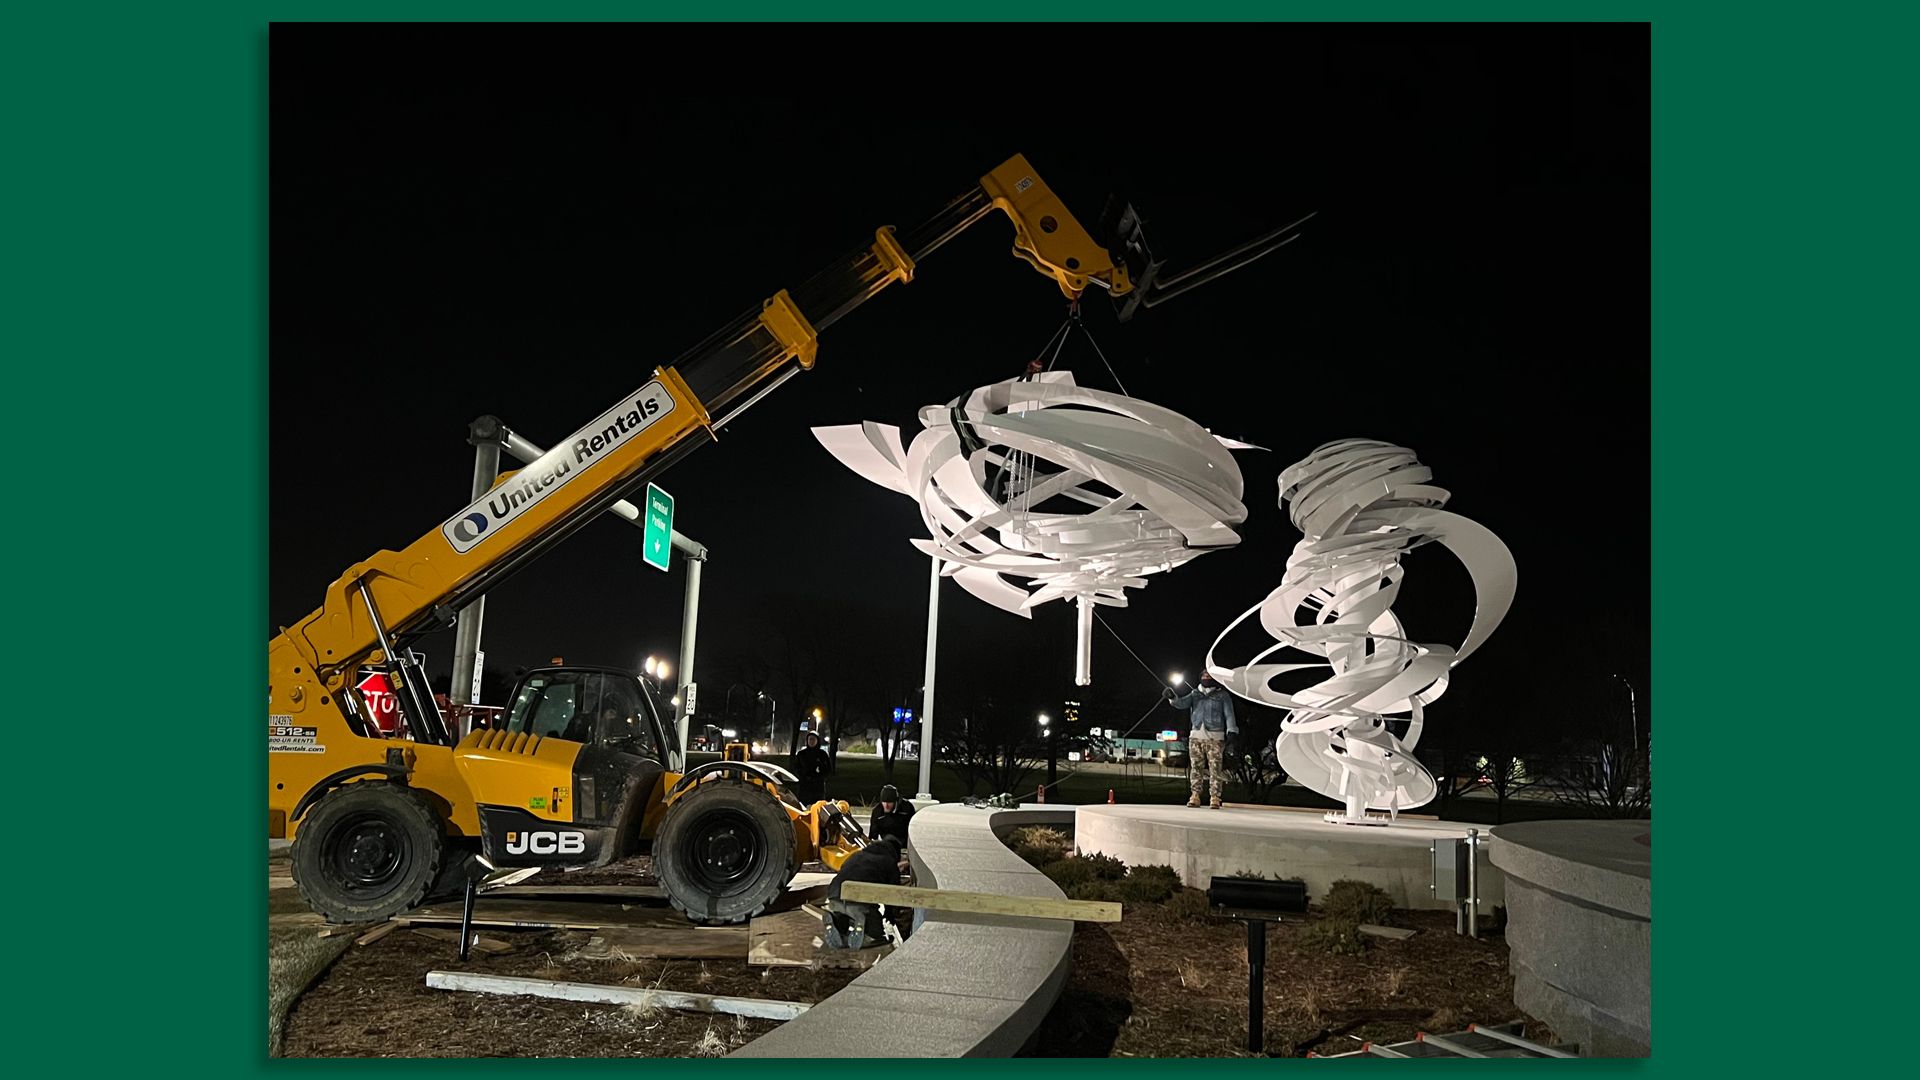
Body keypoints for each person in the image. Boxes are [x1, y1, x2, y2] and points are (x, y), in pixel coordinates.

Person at [823, 833, 909, 949]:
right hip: (857, 900)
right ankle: (869, 937)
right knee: (874, 926)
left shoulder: (856, 855)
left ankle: (838, 925)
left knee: (844, 914)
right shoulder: (889, 861)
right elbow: (892, 893)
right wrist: (890, 913)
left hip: (834, 895)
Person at [1167, 671, 1239, 808]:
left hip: (1215, 737)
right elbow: (1181, 703)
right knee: (1196, 767)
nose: (1206, 678)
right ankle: (1195, 795)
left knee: (1215, 769)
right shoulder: (1195, 694)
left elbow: (1229, 714)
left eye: (1209, 676)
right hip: (1196, 737)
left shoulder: (1222, 695)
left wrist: (1232, 731)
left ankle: (1215, 797)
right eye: (1203, 676)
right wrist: (1172, 697)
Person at [792, 731, 830, 807]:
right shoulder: (801, 754)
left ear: (817, 740)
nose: (811, 741)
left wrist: (819, 776)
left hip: (818, 786)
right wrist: (803, 774)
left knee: (817, 807)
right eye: (810, 739)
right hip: (804, 786)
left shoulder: (822, 754)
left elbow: (828, 769)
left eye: (813, 739)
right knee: (803, 807)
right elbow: (796, 767)